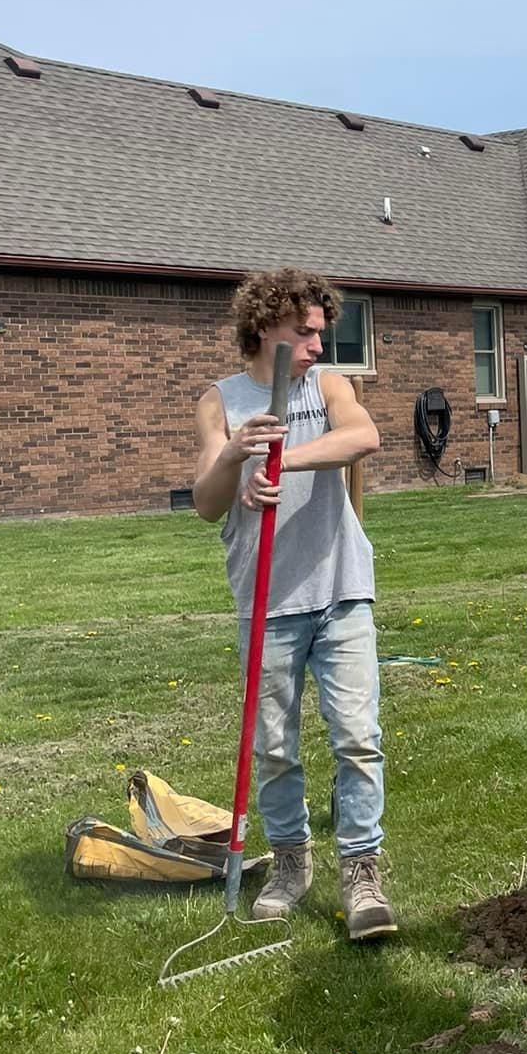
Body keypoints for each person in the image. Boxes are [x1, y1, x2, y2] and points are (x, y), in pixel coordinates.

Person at [192, 268, 396, 942]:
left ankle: (362, 873)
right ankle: (289, 864)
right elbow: (205, 502)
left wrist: (287, 458)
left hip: (340, 591)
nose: (315, 345)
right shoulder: (220, 401)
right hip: (267, 598)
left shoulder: (325, 386)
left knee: (358, 739)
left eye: (320, 332)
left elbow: (363, 438)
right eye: (304, 332)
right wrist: (238, 465)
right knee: (275, 747)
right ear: (264, 326)